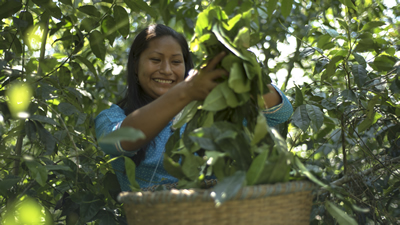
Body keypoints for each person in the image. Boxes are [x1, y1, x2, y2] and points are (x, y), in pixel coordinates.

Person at [95, 24, 293, 192]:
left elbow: (281, 111)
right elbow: (118, 140)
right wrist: (186, 91)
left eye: (176, 62)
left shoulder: (212, 112)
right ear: (136, 66)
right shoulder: (112, 116)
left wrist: (238, 77)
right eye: (155, 60)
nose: (166, 70)